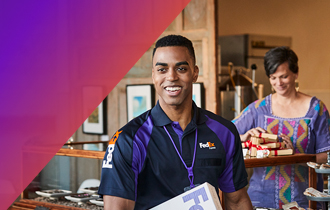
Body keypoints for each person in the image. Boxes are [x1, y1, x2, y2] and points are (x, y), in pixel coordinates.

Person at [98, 34, 252, 210]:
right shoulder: (128, 140)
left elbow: (238, 201)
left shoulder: (224, 131)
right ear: (153, 75)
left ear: (195, 73)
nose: (171, 77)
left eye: (181, 69)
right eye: (162, 70)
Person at [232, 46, 330, 209]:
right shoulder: (258, 108)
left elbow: (327, 156)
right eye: (273, 77)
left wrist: (297, 156)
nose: (278, 83)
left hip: (305, 201)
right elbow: (222, 134)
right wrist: (242, 137)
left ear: (296, 73)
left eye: (284, 76)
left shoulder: (316, 109)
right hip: (260, 202)